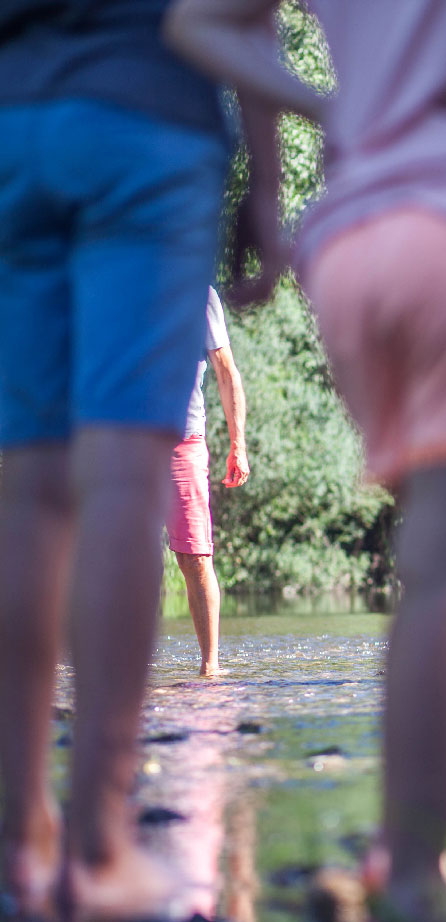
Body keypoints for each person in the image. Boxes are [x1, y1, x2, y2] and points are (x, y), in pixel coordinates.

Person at [165, 0, 446, 922]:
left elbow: (205, 23)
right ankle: (415, 876)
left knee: (430, 564)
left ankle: (410, 860)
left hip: (357, 241)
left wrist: (317, 122)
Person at [0, 0, 265, 922]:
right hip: (148, 122)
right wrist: (266, 180)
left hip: (16, 114)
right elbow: (244, 17)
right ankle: (97, 848)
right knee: (120, 477)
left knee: (27, 487)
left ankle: (17, 834)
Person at [170, 287, 249, 678]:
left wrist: (239, 444)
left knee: (195, 557)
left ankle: (210, 668)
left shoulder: (199, 294)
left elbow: (225, 370)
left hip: (183, 439)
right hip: (122, 439)